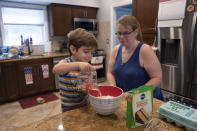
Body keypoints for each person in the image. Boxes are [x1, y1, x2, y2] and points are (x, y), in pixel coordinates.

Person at [107, 15, 163, 100]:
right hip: (125, 99)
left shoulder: (145, 50)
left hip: (145, 100)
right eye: (119, 33)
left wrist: (137, 93)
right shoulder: (116, 49)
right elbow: (110, 72)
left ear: (136, 32)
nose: (121, 37)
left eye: (126, 33)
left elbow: (157, 77)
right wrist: (113, 87)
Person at [53, 28, 98, 112]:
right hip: (68, 110)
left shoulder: (87, 67)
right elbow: (56, 70)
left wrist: (85, 89)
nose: (90, 56)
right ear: (73, 49)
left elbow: (87, 88)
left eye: (92, 53)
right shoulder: (66, 62)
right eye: (86, 52)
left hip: (85, 106)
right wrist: (77, 65)